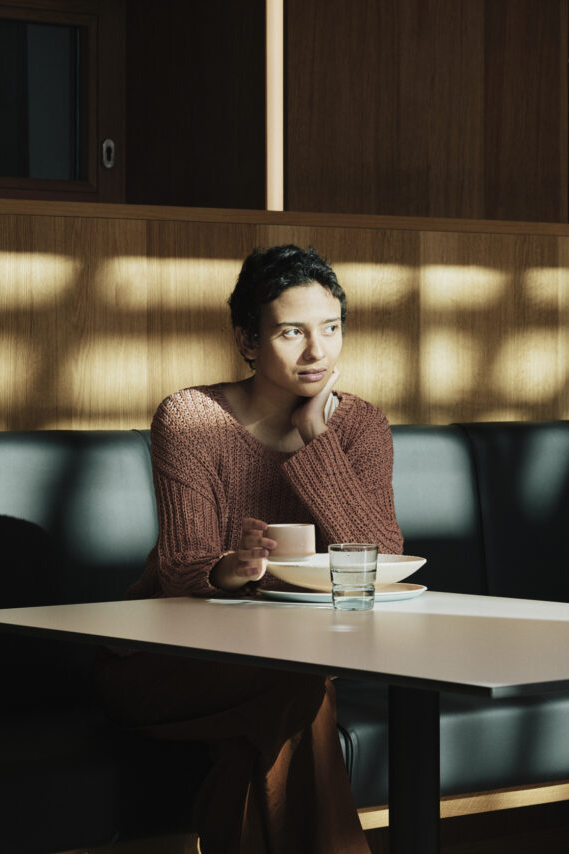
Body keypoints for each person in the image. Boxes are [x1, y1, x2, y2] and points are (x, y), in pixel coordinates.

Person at [96, 244, 403, 854]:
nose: (317, 352)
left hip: (290, 662)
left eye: (331, 329)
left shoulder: (359, 428)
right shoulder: (191, 418)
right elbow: (184, 566)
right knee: (300, 688)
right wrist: (229, 570)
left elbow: (384, 560)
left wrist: (318, 439)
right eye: (292, 332)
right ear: (248, 339)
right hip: (166, 660)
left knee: (270, 722)